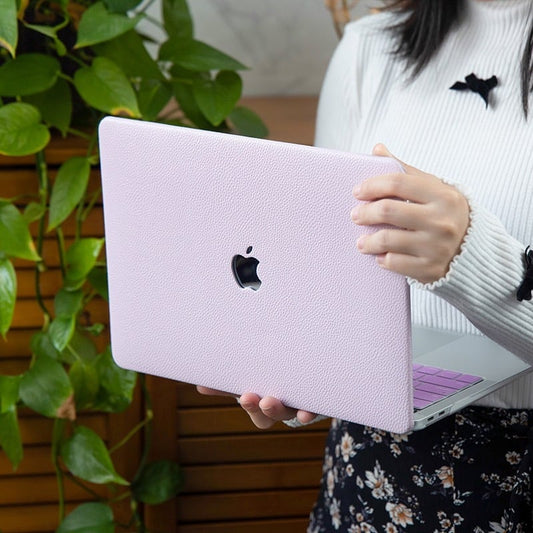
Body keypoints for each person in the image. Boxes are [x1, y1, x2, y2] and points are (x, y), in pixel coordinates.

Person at [198, 0, 533, 530]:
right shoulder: (370, 46)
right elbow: (325, 273)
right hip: (372, 477)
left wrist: (474, 259)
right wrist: (302, 378)